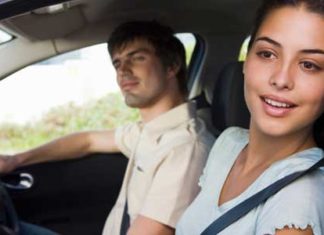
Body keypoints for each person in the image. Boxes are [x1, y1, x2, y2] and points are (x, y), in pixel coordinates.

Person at [0, 21, 214, 235]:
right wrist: (16, 160)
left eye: (137, 58)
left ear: (172, 66)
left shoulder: (184, 148)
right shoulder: (148, 132)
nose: (123, 70)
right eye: (117, 63)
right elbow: (88, 141)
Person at [176, 0, 324, 234]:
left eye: (309, 65)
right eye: (267, 54)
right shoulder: (229, 143)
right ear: (246, 63)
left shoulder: (298, 200)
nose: (281, 79)